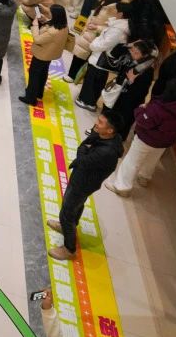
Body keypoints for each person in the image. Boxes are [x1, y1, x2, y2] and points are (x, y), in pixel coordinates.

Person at [48, 109, 123, 260]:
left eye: (100, 122)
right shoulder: (105, 136)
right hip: (83, 179)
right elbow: (86, 144)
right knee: (76, 206)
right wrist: (85, 148)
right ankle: (67, 226)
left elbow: (82, 159)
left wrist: (84, 149)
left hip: (83, 183)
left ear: (110, 130)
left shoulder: (106, 152)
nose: (96, 123)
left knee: (67, 212)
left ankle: (69, 249)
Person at [106, 79, 176, 197]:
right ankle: (144, 177)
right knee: (152, 160)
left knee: (132, 161)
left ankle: (122, 187)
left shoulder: (159, 108)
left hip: (146, 139)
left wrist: (141, 109)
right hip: (164, 143)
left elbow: (142, 121)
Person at [76, 2, 133, 110]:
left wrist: (93, 45)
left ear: (120, 13)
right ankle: (89, 101)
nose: (113, 11)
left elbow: (105, 44)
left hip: (101, 59)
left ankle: (87, 102)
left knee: (92, 80)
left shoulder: (118, 29)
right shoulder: (122, 26)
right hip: (102, 58)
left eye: (116, 9)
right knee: (96, 80)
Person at [20, 5, 70, 106]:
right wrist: (46, 20)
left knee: (34, 75)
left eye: (51, 13)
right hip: (50, 54)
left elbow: (37, 39)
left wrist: (35, 25)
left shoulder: (52, 32)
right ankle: (39, 92)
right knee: (43, 73)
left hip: (41, 55)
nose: (49, 14)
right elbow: (52, 25)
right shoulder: (64, 26)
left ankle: (30, 98)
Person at [107, 40, 157, 139]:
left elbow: (141, 92)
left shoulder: (147, 71)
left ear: (144, 55)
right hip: (122, 93)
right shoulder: (132, 61)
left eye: (136, 53)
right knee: (115, 114)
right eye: (132, 51)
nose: (132, 54)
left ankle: (118, 137)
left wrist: (131, 81)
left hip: (131, 101)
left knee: (124, 119)